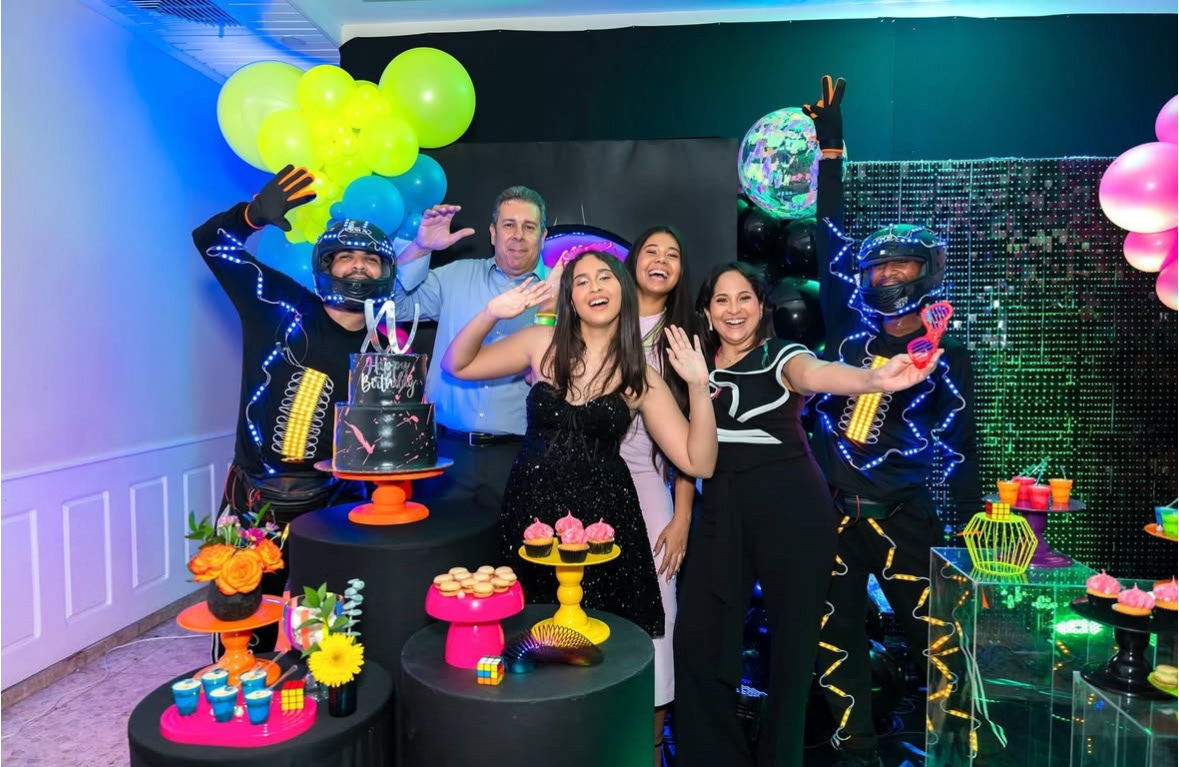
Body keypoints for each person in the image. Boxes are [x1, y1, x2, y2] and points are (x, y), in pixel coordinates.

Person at [672, 261, 941, 767]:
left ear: (761, 307)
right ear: (706, 313)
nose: (734, 309)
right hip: (722, 509)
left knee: (794, 653)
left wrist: (874, 378)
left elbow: (817, 373)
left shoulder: (782, 355)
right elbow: (686, 451)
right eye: (722, 300)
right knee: (697, 640)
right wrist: (682, 516)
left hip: (791, 507)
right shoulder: (692, 365)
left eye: (745, 298)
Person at [803, 76, 989, 767]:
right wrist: (830, 151)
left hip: (903, 514)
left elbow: (961, 448)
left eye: (900, 266)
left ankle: (956, 748)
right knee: (832, 638)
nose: (887, 278)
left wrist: (967, 534)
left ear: (926, 271)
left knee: (937, 639)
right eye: (878, 269)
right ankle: (856, 749)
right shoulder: (848, 333)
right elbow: (828, 235)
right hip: (831, 516)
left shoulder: (946, 355)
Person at [441, 251, 718, 675]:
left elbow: (700, 463)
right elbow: (456, 364)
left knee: (599, 649)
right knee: (528, 640)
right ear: (570, 298)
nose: (594, 287)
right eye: (582, 281)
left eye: (604, 277)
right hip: (532, 511)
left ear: (623, 291)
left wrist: (698, 386)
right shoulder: (540, 343)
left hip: (604, 521)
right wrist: (492, 312)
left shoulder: (640, 375)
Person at [192, 165, 397, 653]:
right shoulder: (279, 305)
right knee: (241, 627)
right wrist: (251, 215)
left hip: (334, 505)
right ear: (325, 265)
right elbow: (210, 242)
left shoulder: (386, 347)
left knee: (325, 636)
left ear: (386, 272)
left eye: (370, 260)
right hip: (254, 500)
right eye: (345, 257)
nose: (358, 268)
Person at [392, 186, 562, 517]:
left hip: (519, 455)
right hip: (446, 452)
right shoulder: (456, 276)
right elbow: (395, 307)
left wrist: (550, 312)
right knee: (441, 548)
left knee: (516, 550)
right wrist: (419, 247)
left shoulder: (558, 293)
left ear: (543, 237)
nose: (518, 235)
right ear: (493, 233)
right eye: (509, 225)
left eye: (529, 227)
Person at [620, 227, 700, 762]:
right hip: (589, 475)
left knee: (658, 609)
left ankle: (651, 743)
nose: (661, 260)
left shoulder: (684, 339)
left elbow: (692, 441)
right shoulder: (602, 316)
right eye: (652, 250)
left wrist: (682, 517)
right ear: (633, 262)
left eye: (673, 254)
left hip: (649, 478)